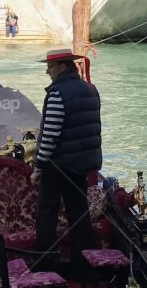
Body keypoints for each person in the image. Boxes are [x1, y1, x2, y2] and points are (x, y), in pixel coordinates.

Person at [31, 49, 101, 271]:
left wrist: (39, 166)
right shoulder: (90, 90)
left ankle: (45, 264)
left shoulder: (57, 93)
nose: (47, 71)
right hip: (81, 165)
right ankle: (85, 266)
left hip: (58, 165)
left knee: (47, 213)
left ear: (62, 66)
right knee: (79, 213)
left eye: (50, 67)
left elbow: (50, 134)